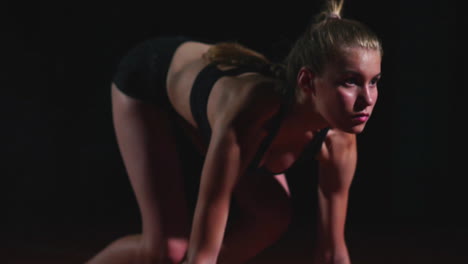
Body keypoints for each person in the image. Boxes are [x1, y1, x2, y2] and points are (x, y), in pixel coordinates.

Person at [86, 0, 383, 263]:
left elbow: (333, 254)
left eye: (374, 81)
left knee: (272, 216)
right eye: (350, 82)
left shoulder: (340, 141)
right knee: (167, 249)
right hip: (148, 81)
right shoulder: (251, 116)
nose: (367, 99)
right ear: (307, 82)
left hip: (216, 107)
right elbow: (203, 255)